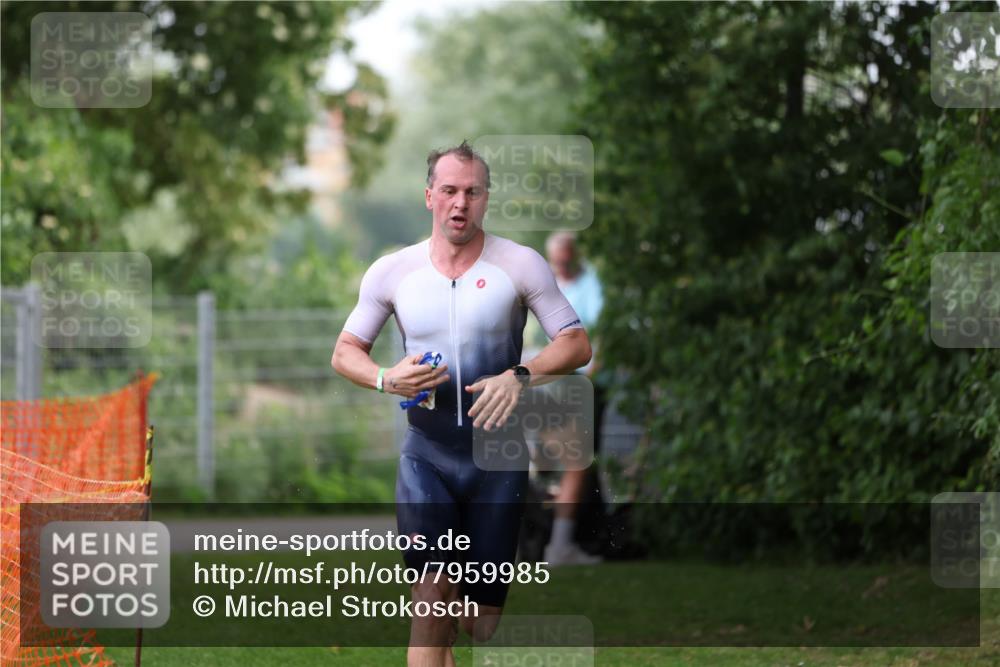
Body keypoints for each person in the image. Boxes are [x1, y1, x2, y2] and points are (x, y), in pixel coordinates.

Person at [331, 141, 591, 667]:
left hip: (499, 462)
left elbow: (577, 344)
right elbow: (344, 352)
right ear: (430, 196)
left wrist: (521, 375)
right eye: (449, 190)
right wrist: (385, 378)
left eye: (471, 192)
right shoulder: (392, 272)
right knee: (431, 598)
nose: (460, 202)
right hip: (427, 455)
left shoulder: (521, 264)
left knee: (477, 621)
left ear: (485, 199)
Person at [543, 231, 607, 565]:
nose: (563, 265)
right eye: (558, 260)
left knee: (577, 461)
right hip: (555, 384)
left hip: (579, 381)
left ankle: (572, 538)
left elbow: (600, 330)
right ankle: (560, 546)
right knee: (576, 462)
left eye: (567, 259)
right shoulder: (544, 285)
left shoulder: (590, 284)